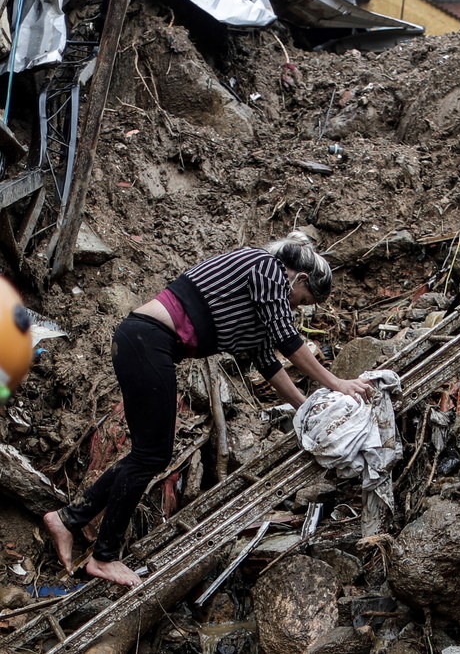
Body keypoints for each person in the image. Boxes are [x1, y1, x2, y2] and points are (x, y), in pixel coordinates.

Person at [43, 232, 373, 587]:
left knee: (149, 454)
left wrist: (307, 411)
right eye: (300, 300)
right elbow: (287, 340)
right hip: (147, 340)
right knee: (151, 456)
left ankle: (68, 519)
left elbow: (268, 361)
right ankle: (104, 557)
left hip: (147, 344)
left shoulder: (259, 303)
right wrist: (337, 384)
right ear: (300, 278)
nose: (294, 309)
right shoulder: (265, 267)